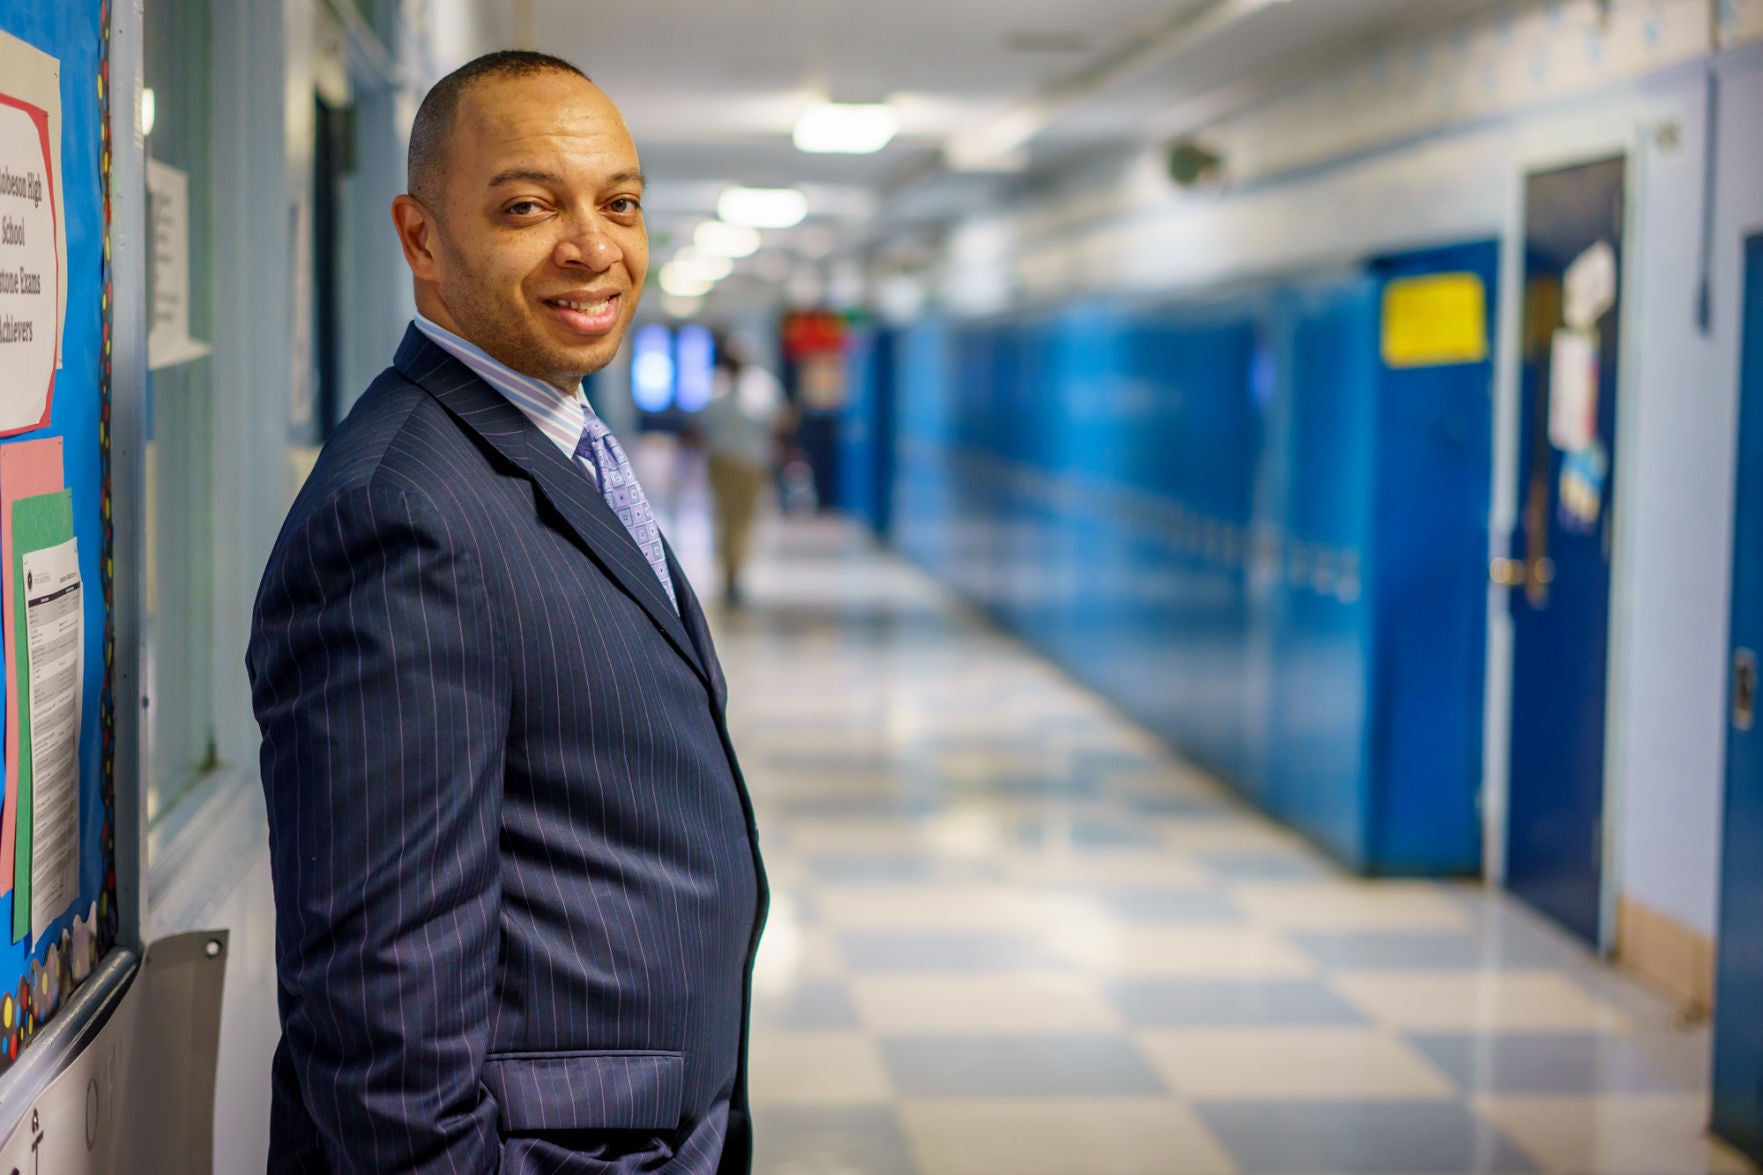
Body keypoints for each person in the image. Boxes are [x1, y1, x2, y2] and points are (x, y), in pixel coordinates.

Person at [247, 51, 767, 1174]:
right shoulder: (402, 514)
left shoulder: (551, 444)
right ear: (422, 238)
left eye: (618, 203)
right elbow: (382, 1023)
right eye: (528, 206)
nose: (593, 246)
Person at [698, 334, 786, 605]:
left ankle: (736, 573)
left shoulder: (762, 387)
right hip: (720, 462)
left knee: (743, 520)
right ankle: (726, 571)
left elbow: (779, 423)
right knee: (723, 518)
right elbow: (700, 425)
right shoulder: (714, 384)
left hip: (750, 464)